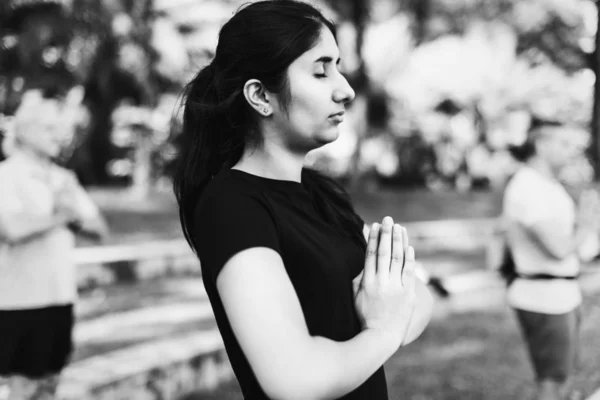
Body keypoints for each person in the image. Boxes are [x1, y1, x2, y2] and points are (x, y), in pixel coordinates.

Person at [172, 1, 433, 399]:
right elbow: (295, 379)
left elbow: (419, 297)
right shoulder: (231, 207)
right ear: (260, 95)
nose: (345, 90)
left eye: (339, 66)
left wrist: (388, 316)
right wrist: (383, 328)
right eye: (320, 69)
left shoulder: (324, 195)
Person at [0, 90, 108, 400]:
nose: (58, 136)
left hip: (60, 299)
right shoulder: (7, 176)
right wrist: (62, 214)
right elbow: (12, 229)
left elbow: (99, 228)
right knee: (24, 389)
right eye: (48, 128)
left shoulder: (63, 178)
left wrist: (70, 216)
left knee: (49, 386)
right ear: (25, 130)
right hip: (19, 303)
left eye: (59, 128)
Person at [502, 120, 600, 400]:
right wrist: (587, 221)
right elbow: (558, 248)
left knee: (563, 378)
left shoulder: (549, 186)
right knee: (552, 382)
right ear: (542, 146)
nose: (572, 151)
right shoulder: (527, 188)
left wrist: (586, 226)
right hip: (542, 299)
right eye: (564, 144)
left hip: (562, 295)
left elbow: (579, 247)